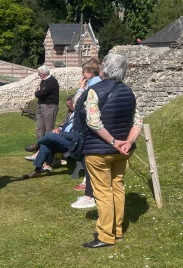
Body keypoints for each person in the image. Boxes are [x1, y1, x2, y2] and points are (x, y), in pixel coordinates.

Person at [78, 54, 143, 248]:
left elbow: (93, 122)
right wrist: (128, 142)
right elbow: (138, 121)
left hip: (99, 150)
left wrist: (114, 141)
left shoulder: (93, 91)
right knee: (117, 187)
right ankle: (118, 230)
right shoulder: (130, 92)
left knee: (103, 192)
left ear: (104, 69)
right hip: (122, 151)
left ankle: (106, 235)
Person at [70, 60, 102, 209]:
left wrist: (80, 88)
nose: (83, 75)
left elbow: (78, 104)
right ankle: (90, 192)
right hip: (88, 127)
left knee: (88, 160)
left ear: (89, 73)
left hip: (87, 128)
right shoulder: (97, 84)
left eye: (84, 72)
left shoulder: (93, 86)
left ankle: (90, 195)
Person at [22, 99, 76, 179]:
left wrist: (61, 133)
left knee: (51, 135)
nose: (69, 107)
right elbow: (65, 124)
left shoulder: (82, 117)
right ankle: (37, 171)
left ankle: (36, 145)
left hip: (74, 143)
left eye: (71, 105)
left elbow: (76, 135)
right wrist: (59, 129)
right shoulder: (72, 114)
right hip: (65, 139)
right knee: (45, 146)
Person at [25, 65, 60, 162]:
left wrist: (38, 92)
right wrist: (39, 91)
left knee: (49, 129)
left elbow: (40, 93)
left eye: (39, 74)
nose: (39, 76)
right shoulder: (44, 81)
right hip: (41, 105)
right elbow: (40, 92)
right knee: (39, 127)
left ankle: (48, 152)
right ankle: (39, 148)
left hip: (49, 106)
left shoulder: (52, 81)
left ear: (43, 74)